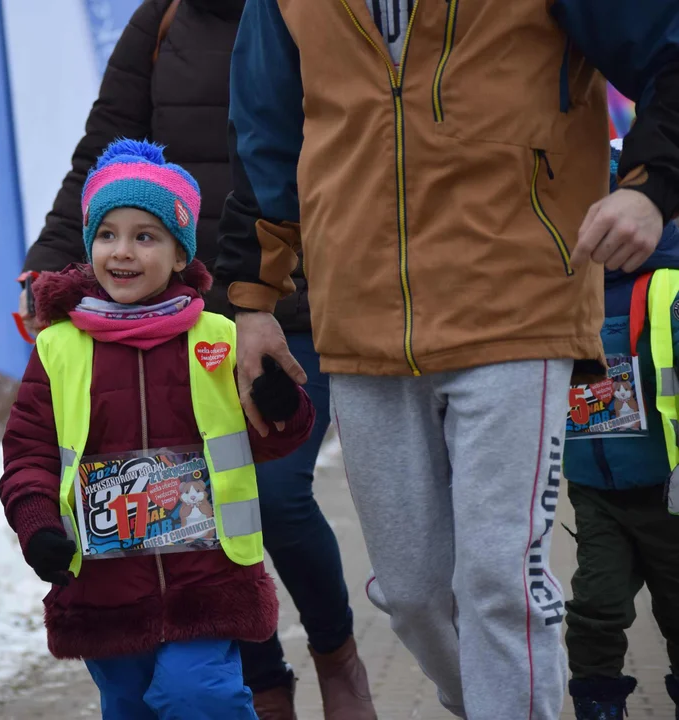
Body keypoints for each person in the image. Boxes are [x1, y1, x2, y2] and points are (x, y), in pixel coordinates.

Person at [215, 1, 679, 718]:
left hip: (521, 301)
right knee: (411, 594)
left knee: (498, 581)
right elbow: (265, 136)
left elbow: (668, 52)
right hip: (359, 311)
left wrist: (651, 187)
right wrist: (251, 302)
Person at [18, 2, 371, 716]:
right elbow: (103, 145)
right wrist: (52, 261)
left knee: (269, 494)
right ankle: (256, 682)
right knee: (182, 489)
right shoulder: (166, 16)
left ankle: (335, 652)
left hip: (296, 296)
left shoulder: (322, 11)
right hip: (171, 294)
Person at [0, 139, 315, 719]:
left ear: (178, 255)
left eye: (145, 236)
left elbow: (276, 438)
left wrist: (281, 404)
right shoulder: (59, 348)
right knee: (130, 706)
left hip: (208, 578)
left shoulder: (217, 338)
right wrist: (37, 524)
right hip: (103, 585)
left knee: (199, 695)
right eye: (107, 234)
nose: (122, 251)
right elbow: (28, 453)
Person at [561, 145, 679, 719]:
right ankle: (597, 705)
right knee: (595, 610)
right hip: (594, 490)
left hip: (668, 489)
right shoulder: (558, 290)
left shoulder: (668, 284)